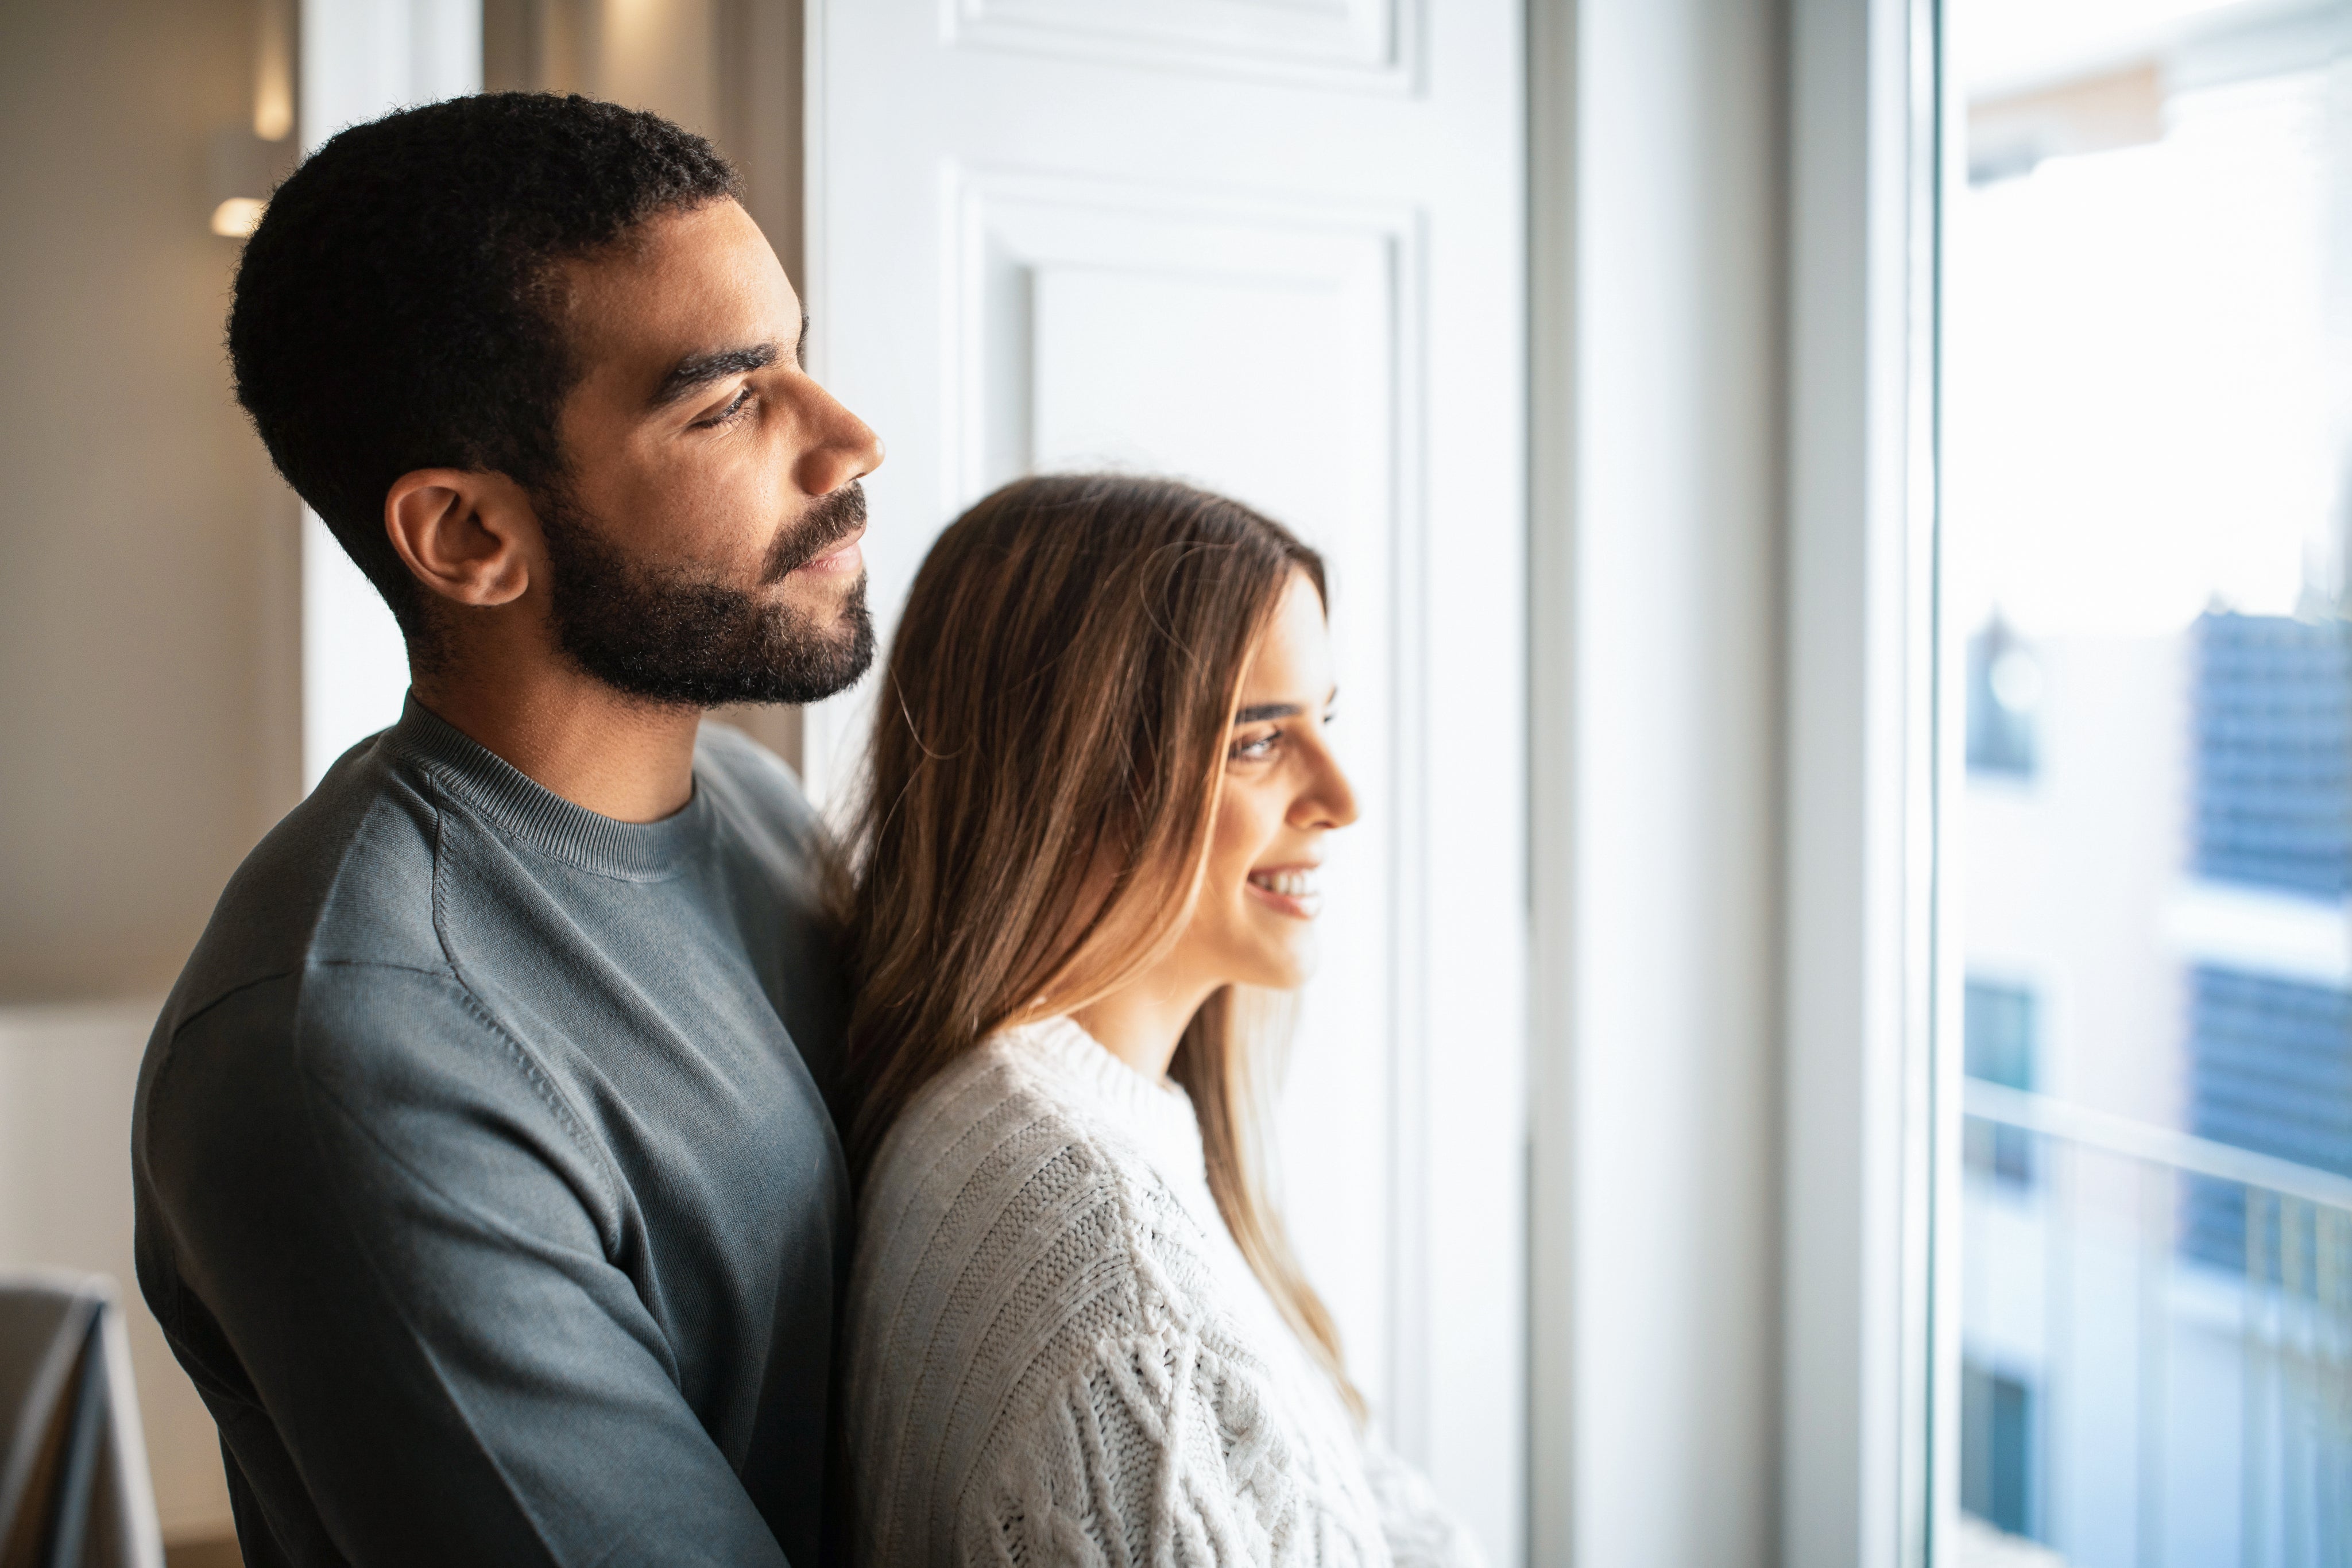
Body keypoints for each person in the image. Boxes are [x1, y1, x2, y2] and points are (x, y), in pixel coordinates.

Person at [130, 94, 880, 1567]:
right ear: (469, 537)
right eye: (729, 402)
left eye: (796, 355)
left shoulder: (751, 805)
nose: (847, 438)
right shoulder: (350, 1045)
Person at [836, 474, 1482, 1566]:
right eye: (1258, 741)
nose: (1344, 796)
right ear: (1068, 774)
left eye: (1323, 721)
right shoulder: (1122, 1302)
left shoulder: (1073, 1128)